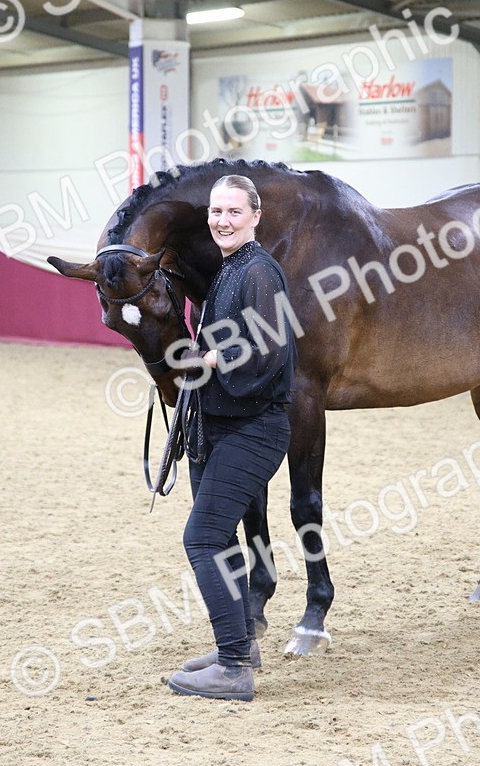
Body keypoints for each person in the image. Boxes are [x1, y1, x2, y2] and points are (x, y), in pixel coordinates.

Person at [166, 175, 296, 702]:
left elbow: (272, 350)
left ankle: (234, 667)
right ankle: (240, 644)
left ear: (255, 216)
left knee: (201, 539)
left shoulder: (260, 271)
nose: (221, 220)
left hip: (253, 427)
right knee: (218, 540)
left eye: (233, 212)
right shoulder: (230, 269)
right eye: (216, 212)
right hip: (219, 425)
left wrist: (213, 359)